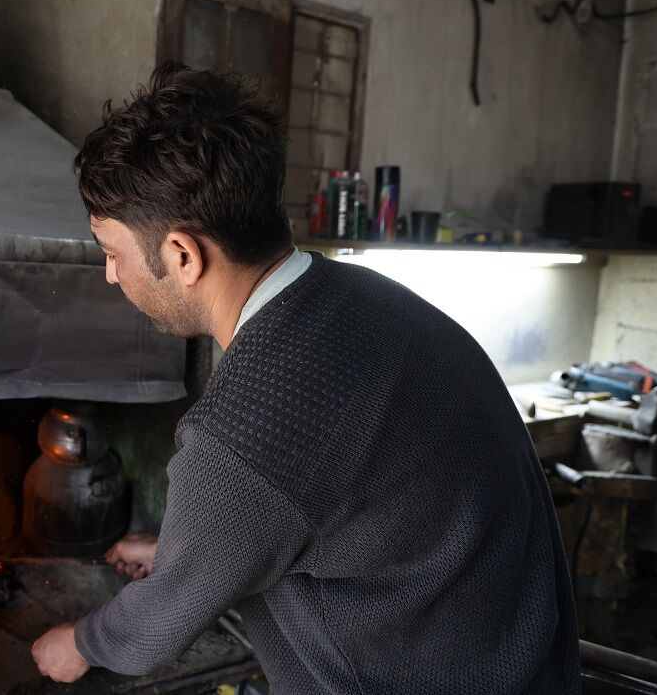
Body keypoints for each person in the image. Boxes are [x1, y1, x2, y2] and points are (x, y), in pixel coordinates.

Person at [30, 61, 581, 693]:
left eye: (112, 254)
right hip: (523, 662)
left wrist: (77, 643)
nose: (110, 276)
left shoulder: (241, 428)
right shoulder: (377, 298)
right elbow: (324, 503)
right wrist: (188, 554)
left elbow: (155, 629)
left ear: (182, 256)